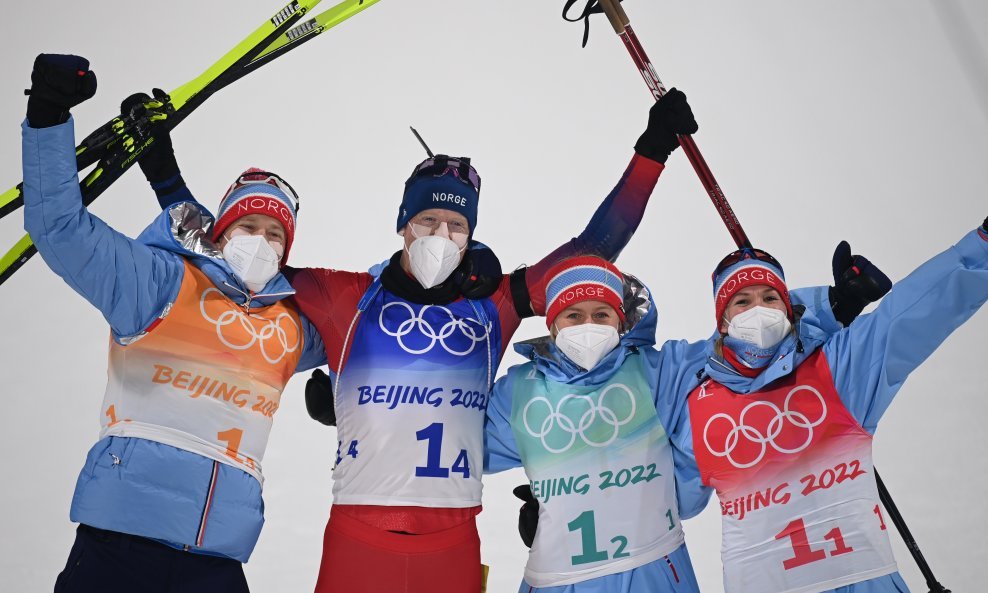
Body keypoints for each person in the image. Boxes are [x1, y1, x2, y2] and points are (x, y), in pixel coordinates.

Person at [281, 89, 700, 593]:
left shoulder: (492, 304)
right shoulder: (345, 297)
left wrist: (651, 151)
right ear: (403, 225)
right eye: (428, 220)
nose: (442, 234)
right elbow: (247, 261)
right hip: (357, 537)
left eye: (457, 225)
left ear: (471, 234)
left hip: (452, 541)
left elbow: (591, 249)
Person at [22, 54, 326, 593]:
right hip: (118, 547)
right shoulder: (157, 284)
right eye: (247, 226)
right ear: (220, 234)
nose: (260, 241)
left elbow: (376, 320)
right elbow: (61, 228)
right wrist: (48, 115)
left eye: (274, 234)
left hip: (217, 560)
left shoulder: (290, 326)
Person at [482, 248, 884, 593]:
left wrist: (832, 307)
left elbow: (749, 340)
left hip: (656, 570)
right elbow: (457, 440)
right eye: (574, 316)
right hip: (558, 578)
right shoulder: (519, 391)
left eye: (601, 314)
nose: (589, 327)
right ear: (552, 325)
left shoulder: (661, 371)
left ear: (620, 322)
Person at [676, 225, 988, 593]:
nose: (758, 311)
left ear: (790, 310)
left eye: (770, 299)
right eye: (741, 302)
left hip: (864, 582)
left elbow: (913, 310)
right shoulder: (698, 408)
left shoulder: (837, 370)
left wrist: (982, 246)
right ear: (722, 322)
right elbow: (679, 500)